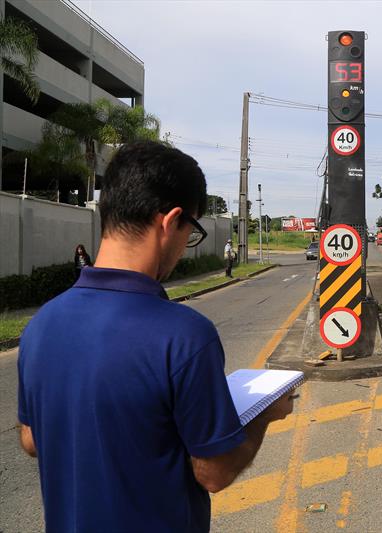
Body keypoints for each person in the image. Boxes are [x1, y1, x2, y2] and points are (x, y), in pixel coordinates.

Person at [17, 142, 293, 532]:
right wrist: (265, 415)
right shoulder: (184, 335)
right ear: (171, 221)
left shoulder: (43, 323)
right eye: (191, 230)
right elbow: (213, 473)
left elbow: (30, 440)